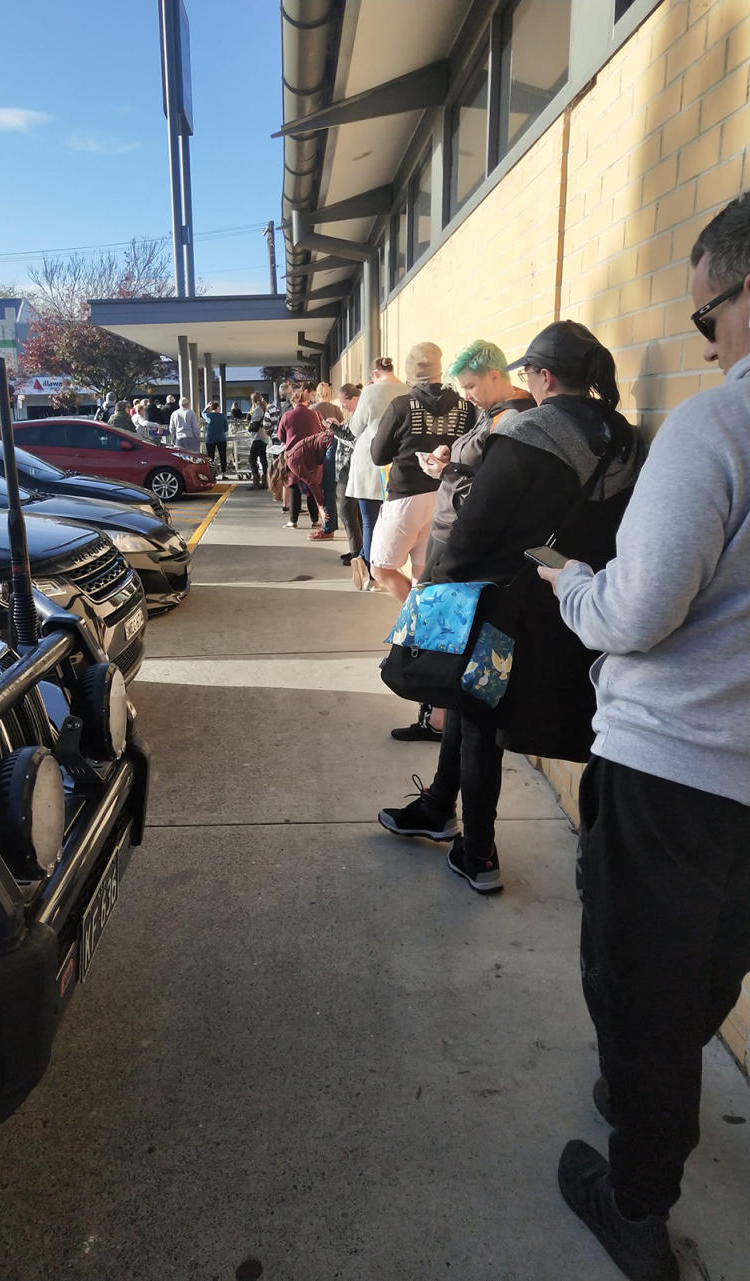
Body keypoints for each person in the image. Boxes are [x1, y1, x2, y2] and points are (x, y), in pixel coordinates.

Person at [535, 195, 750, 1281]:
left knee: (642, 991)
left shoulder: (718, 426)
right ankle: (640, 1098)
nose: (705, 340)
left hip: (673, 768)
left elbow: (638, 610)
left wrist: (575, 586)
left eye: (706, 317)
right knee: (711, 970)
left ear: (743, 291)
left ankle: (634, 1204)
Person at [377, 320, 641, 897]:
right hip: (572, 607)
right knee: (466, 702)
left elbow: (473, 531)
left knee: (476, 721)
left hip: (505, 607)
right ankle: (439, 807)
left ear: (543, 376)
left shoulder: (531, 434)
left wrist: (435, 586)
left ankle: (479, 854)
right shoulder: (622, 438)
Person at [390, 340, 534, 742]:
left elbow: (493, 482)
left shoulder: (512, 419)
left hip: (462, 535)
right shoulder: (490, 413)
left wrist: (447, 466)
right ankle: (436, 715)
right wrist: (447, 459)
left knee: (447, 632)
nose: (466, 395)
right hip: (451, 527)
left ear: (495, 375)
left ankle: (439, 717)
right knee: (441, 629)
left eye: (471, 386)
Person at [369, 342, 474, 602]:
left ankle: (418, 621)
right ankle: (421, 626)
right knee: (422, 573)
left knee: (381, 568)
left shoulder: (401, 406)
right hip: (446, 497)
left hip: (405, 497)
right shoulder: (466, 407)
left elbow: (378, 456)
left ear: (410, 374)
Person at [345, 356, 407, 589]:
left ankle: (373, 574)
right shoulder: (407, 390)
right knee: (390, 520)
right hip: (397, 463)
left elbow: (354, 427)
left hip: (369, 462)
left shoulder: (370, 393)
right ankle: (373, 562)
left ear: (373, 374)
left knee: (369, 522)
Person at [277, 387, 322, 528]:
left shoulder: (287, 416)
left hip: (293, 457)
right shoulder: (316, 415)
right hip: (312, 456)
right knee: (311, 486)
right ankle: (315, 520)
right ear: (306, 401)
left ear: (293, 402)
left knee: (294, 487)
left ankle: (293, 521)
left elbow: (281, 436)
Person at [333, 383, 363, 564]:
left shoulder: (359, 416)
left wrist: (334, 429)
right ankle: (357, 550)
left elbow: (352, 439)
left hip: (349, 469)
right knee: (353, 511)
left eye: (344, 403)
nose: (343, 407)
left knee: (346, 509)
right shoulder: (355, 416)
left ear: (354, 399)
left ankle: (357, 552)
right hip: (348, 469)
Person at [310, 382, 344, 541]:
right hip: (335, 449)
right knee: (331, 489)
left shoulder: (312, 409)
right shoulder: (336, 409)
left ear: (317, 393)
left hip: (318, 450)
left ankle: (326, 525)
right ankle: (328, 523)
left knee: (322, 488)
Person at [202, 400, 229, 477]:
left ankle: (211, 474)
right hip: (221, 438)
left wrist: (207, 407)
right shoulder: (222, 416)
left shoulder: (208, 415)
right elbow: (226, 428)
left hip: (210, 439)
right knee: (222, 456)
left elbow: (202, 413)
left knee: (211, 457)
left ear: (211, 408)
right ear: (218, 408)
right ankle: (224, 474)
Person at [248, 393, 269, 489]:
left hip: (257, 437)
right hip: (264, 437)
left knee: (252, 459)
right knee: (263, 459)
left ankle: (256, 481)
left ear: (253, 400)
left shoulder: (257, 410)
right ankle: (265, 481)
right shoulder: (265, 407)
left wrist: (250, 426)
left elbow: (255, 424)